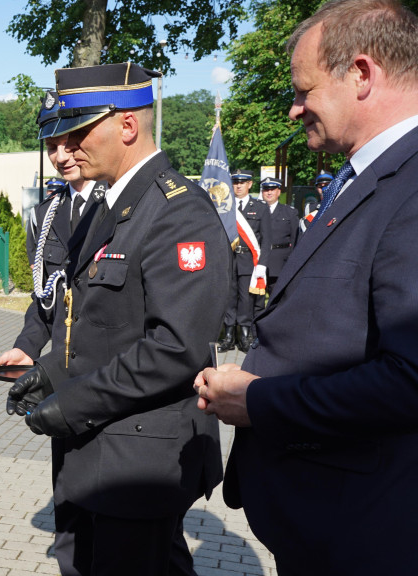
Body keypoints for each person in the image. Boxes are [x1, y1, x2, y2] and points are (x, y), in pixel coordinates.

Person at [195, 1, 418, 573]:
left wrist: (258, 400)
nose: (294, 110)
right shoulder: (369, 177)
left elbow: (409, 379)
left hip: (369, 532)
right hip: (327, 521)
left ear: (362, 75)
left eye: (304, 91)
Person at [6, 63, 229, 576]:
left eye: (77, 132)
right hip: (98, 450)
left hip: (139, 462)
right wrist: (51, 376)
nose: (64, 148)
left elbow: (175, 348)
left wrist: (73, 402)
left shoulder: (177, 210)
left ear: (127, 126)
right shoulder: (112, 205)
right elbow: (96, 325)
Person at [0, 89, 106, 367]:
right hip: (61, 369)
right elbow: (45, 299)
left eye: (70, 144)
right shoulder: (45, 214)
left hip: (110, 374)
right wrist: (26, 348)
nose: (61, 157)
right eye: (52, 147)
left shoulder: (118, 204)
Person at [218, 169, 269, 352]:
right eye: (235, 182)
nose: (238, 186)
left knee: (246, 299)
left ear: (249, 184)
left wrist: (262, 264)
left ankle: (245, 335)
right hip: (229, 260)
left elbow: (266, 239)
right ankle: (229, 335)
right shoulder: (224, 207)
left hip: (249, 259)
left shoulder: (260, 208)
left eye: (242, 182)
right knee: (229, 298)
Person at [258, 177, 298, 295]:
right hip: (258, 261)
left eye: (272, 189)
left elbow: (295, 239)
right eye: (266, 189)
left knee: (276, 298)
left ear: (279, 192)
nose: (269, 192)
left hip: (280, 261)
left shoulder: (289, 212)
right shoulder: (255, 210)